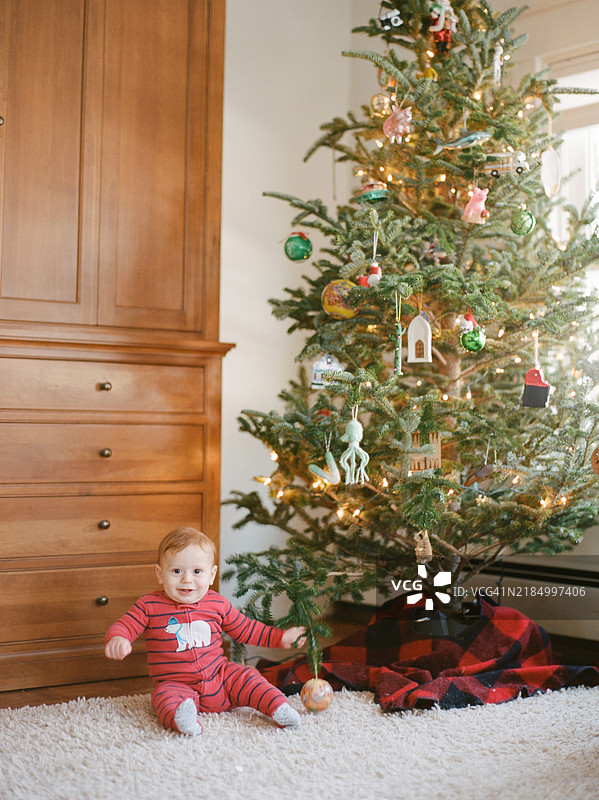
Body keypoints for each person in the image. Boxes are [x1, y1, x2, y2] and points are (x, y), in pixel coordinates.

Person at [105, 526, 306, 736]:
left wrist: (280, 637)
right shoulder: (149, 605)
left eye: (197, 571)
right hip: (175, 683)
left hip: (219, 676)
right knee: (164, 698)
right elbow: (126, 624)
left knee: (247, 676)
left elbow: (246, 629)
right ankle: (182, 718)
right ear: (160, 574)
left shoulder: (217, 603)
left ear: (211, 575)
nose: (187, 579)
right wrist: (119, 637)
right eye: (176, 571)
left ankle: (278, 707)